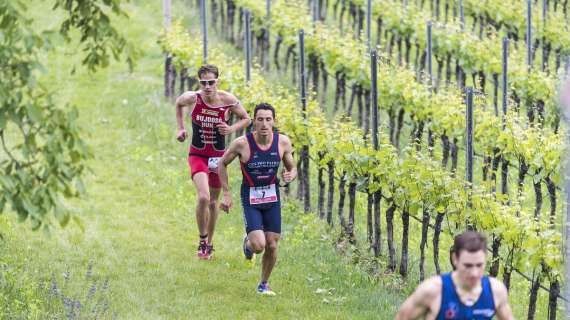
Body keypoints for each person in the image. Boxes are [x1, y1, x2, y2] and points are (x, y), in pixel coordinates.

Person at [218, 102, 297, 295]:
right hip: (251, 197)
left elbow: (292, 168)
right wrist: (227, 193)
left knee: (272, 243)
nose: (264, 124)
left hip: (272, 197)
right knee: (259, 245)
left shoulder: (282, 142)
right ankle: (248, 244)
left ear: (274, 121)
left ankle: (264, 284)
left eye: (268, 119)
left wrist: (291, 175)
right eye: (260, 119)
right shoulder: (242, 144)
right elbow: (222, 163)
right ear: (253, 121)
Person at [175, 64, 251, 260]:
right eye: (203, 83)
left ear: (217, 81)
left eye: (211, 82)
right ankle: (202, 240)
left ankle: (209, 244)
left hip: (218, 158)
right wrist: (181, 128)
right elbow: (178, 103)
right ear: (199, 82)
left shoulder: (228, 100)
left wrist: (231, 129)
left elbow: (247, 119)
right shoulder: (193, 97)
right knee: (203, 197)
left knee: (213, 202)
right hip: (198, 155)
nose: (207, 86)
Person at [395, 231, 514, 320]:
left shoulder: (495, 291)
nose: (474, 273)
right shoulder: (432, 290)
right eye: (467, 265)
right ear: (455, 259)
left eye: (479, 265)